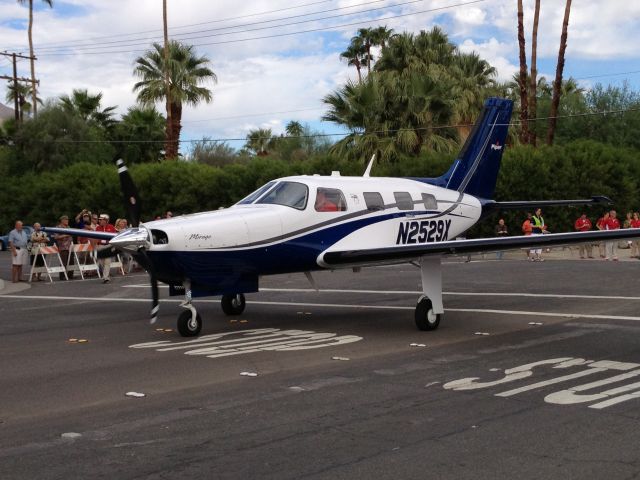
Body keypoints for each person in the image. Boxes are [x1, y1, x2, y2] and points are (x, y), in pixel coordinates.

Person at [95, 214, 117, 283]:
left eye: (101, 220)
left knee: (107, 262)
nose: (99, 221)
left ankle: (106, 277)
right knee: (101, 263)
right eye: (99, 220)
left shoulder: (111, 227)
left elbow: (114, 236)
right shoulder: (97, 228)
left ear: (106, 220)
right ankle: (105, 275)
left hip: (108, 246)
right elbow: (96, 237)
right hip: (100, 246)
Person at [53, 215, 74, 280]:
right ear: (62, 220)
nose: (67, 221)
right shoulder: (58, 227)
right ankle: (62, 276)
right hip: (63, 247)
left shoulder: (69, 227)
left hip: (70, 247)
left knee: (71, 262)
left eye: (67, 220)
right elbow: (56, 237)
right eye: (66, 220)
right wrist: (66, 235)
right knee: (63, 262)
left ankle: (70, 276)